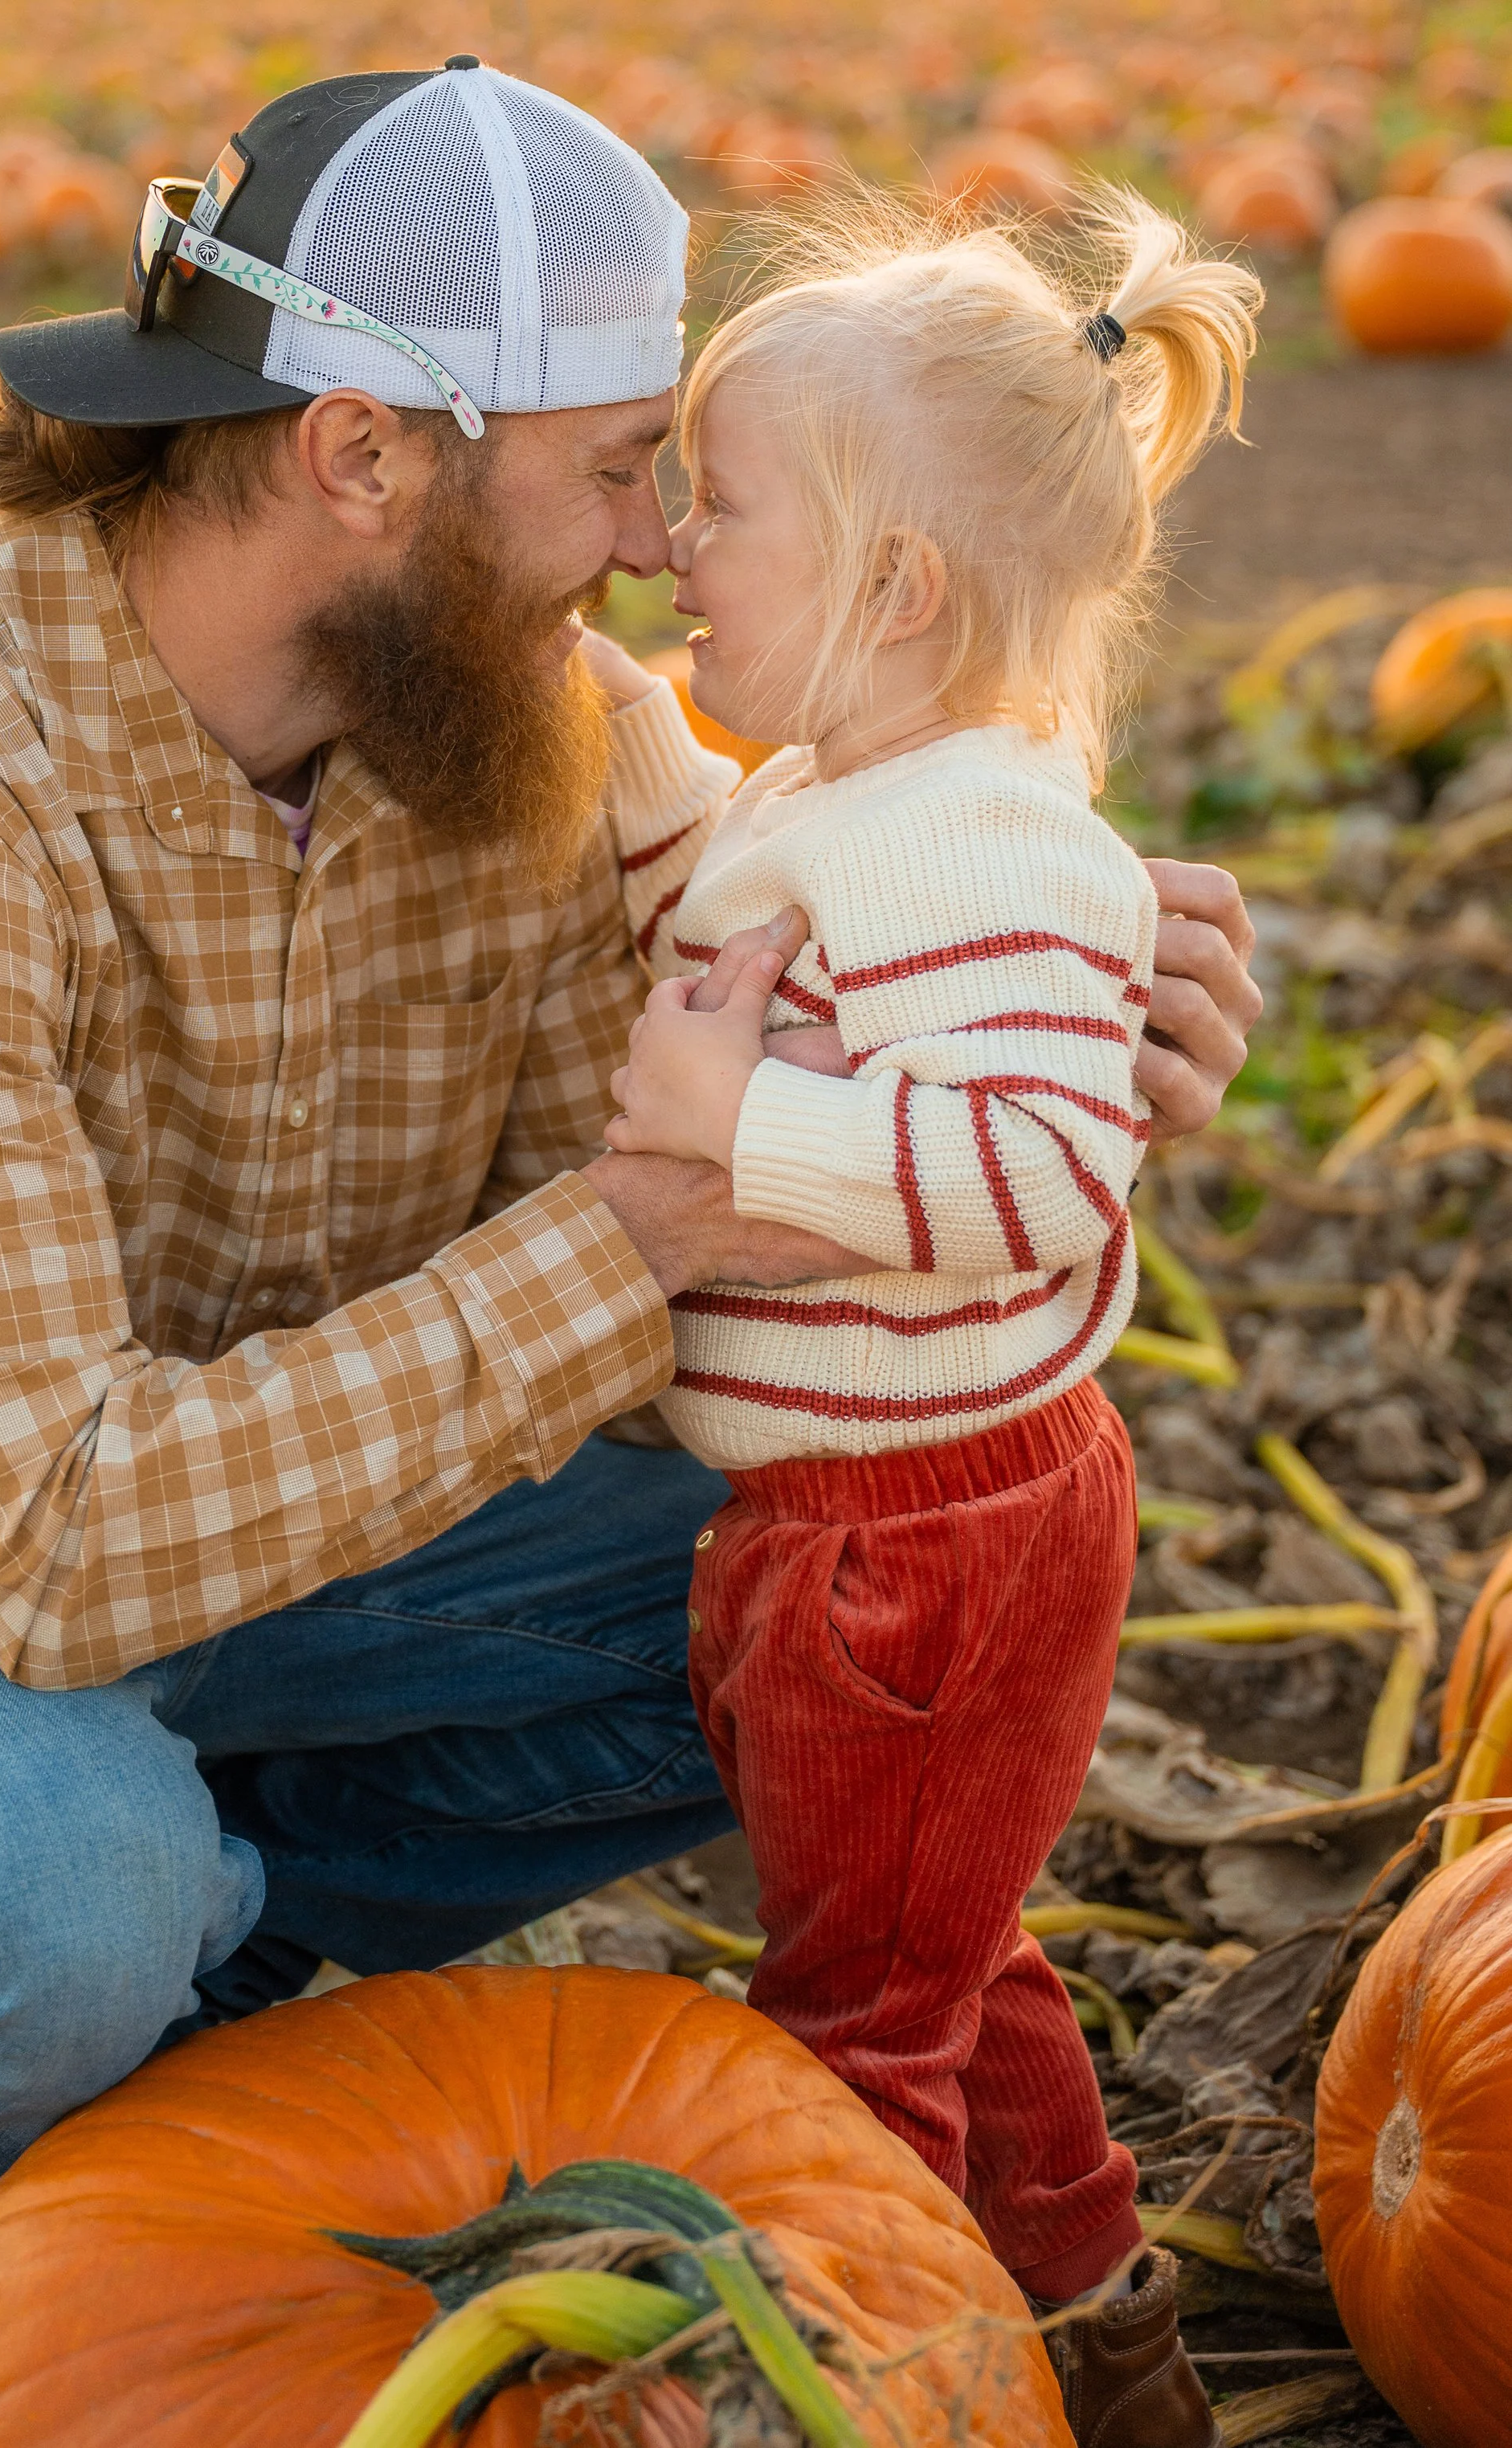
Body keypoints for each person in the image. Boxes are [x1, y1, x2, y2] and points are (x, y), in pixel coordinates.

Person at [0, 63, 1261, 2448]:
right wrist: (655, 1210)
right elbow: (61, 1534)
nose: (653, 538)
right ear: (361, 453)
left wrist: (1036, 985)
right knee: (44, 1884)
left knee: (836, 1617)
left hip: (245, 1503)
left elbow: (824, 897)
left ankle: (190, 1994)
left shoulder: (506, 720)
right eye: (619, 458)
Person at [586, 187, 1263, 2442]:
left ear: (895, 588)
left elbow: (1037, 1166)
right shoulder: (860, 792)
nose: (677, 543)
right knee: (940, 1960)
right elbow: (763, 926)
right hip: (888, 1528)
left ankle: (855, 2384)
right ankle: (1102, 2341)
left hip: (919, 1548)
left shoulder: (967, 847)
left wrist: (725, 1130)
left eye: (725, 504)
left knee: (851, 2030)